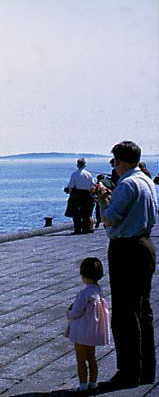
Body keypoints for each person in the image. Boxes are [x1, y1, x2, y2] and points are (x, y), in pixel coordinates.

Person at [95, 141, 158, 389]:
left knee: (124, 312)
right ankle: (146, 369)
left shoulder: (127, 184)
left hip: (126, 248)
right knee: (143, 310)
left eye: (114, 161)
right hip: (145, 244)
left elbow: (109, 219)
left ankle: (129, 370)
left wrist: (102, 199)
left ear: (119, 160)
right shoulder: (146, 181)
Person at [65, 257, 110, 391]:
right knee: (92, 358)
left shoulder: (84, 293)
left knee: (81, 360)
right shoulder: (98, 291)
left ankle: (83, 385)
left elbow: (77, 311)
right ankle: (93, 383)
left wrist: (69, 312)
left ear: (83, 275)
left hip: (82, 331)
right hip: (93, 330)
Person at [64, 158, 95, 234]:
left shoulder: (75, 174)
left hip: (77, 194)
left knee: (76, 213)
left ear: (77, 165)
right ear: (84, 165)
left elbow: (71, 186)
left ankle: (77, 229)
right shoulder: (88, 174)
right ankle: (85, 229)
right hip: (87, 194)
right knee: (86, 212)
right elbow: (92, 185)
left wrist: (71, 195)